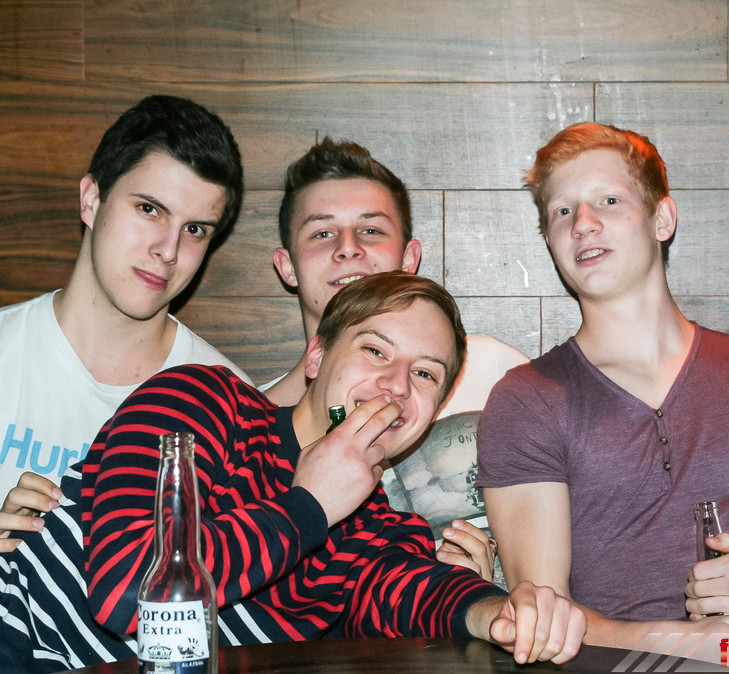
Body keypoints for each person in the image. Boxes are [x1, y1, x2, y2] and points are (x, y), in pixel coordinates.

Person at [0, 272, 585, 673]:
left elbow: (410, 590)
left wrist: (497, 612)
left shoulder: (379, 531)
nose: (395, 385)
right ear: (316, 356)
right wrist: (311, 504)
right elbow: (131, 592)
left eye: (425, 374)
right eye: (375, 350)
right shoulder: (204, 400)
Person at [475, 122, 729, 650]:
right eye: (562, 212)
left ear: (661, 219)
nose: (583, 224)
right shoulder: (527, 399)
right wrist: (682, 642)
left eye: (609, 200)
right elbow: (544, 619)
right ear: (550, 240)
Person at [263, 137, 526, 578]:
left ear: (408, 259)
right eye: (322, 233)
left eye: (371, 230)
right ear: (287, 266)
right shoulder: (250, 425)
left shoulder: (495, 373)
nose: (348, 248)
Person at [0, 95, 250, 524]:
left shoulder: (229, 405)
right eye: (150, 209)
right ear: (91, 199)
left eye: (194, 229)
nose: (168, 250)